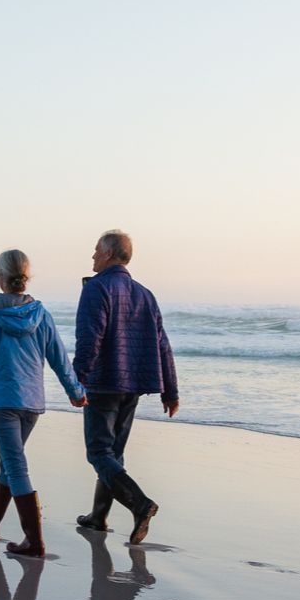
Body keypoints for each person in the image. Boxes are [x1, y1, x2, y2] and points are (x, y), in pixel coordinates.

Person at [0, 249, 87, 558]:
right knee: (10, 462)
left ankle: (34, 541)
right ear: (25, 278)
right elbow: (59, 358)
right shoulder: (41, 314)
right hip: (31, 402)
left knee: (14, 464)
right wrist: (75, 390)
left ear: (0, 278)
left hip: (2, 401)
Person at [70, 230, 178, 544]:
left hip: (104, 383)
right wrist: (171, 390)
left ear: (108, 253)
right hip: (134, 384)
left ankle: (140, 504)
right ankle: (98, 517)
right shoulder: (145, 294)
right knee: (113, 453)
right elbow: (163, 345)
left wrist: (78, 379)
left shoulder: (97, 289)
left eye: (95, 251)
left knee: (99, 453)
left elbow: (89, 339)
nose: (91, 257)